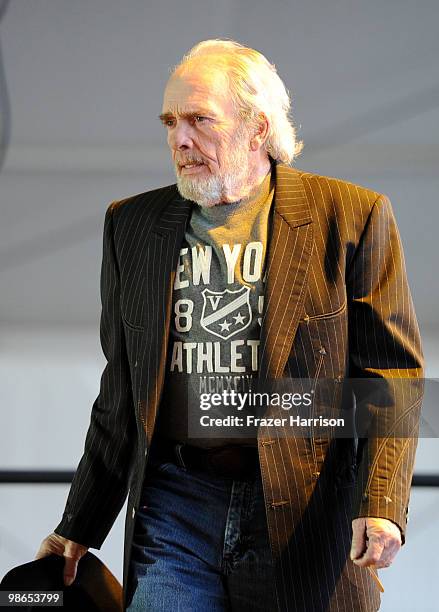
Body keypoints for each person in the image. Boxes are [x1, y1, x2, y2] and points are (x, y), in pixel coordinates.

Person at [35, 39, 424, 611]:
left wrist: (383, 501)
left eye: (198, 120)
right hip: (175, 505)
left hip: (304, 509)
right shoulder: (132, 225)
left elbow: (390, 374)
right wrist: (79, 524)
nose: (179, 139)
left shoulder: (350, 216)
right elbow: (122, 392)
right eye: (170, 122)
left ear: (257, 126)